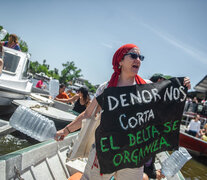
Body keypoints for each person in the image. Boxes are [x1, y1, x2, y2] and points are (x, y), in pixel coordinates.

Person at [55, 44, 191, 180]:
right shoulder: (107, 88)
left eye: (140, 57)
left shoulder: (147, 87)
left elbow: (168, 104)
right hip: (106, 151)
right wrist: (66, 130)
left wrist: (182, 86)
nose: (138, 59)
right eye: (133, 55)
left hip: (133, 154)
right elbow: (87, 114)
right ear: (120, 61)